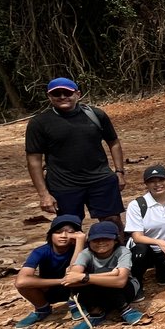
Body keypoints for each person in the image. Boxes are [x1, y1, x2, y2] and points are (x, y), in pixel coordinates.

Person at [25, 77, 126, 225]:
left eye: (67, 93)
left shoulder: (95, 115)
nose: (62, 97)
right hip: (63, 184)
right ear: (49, 96)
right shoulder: (39, 123)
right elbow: (33, 160)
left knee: (112, 222)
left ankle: (120, 248)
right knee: (68, 226)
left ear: (78, 94)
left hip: (100, 179)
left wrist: (119, 172)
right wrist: (44, 194)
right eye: (56, 94)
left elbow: (113, 142)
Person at [62, 221, 144, 329]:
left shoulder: (122, 251)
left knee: (99, 278)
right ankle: (95, 313)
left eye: (106, 239)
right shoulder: (86, 254)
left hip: (125, 290)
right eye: (95, 240)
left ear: (115, 240)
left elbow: (121, 282)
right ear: (89, 242)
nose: (100, 243)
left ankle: (125, 309)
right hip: (98, 291)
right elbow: (71, 280)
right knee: (88, 283)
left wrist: (84, 276)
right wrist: (111, 274)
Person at [13, 213, 86, 328]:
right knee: (25, 284)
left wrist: (80, 243)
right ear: (50, 235)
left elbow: (75, 271)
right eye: (58, 232)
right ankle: (42, 309)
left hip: (77, 289)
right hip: (50, 288)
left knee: (85, 276)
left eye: (70, 232)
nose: (63, 235)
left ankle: (76, 304)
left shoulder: (82, 249)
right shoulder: (41, 251)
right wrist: (61, 281)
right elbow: (21, 281)